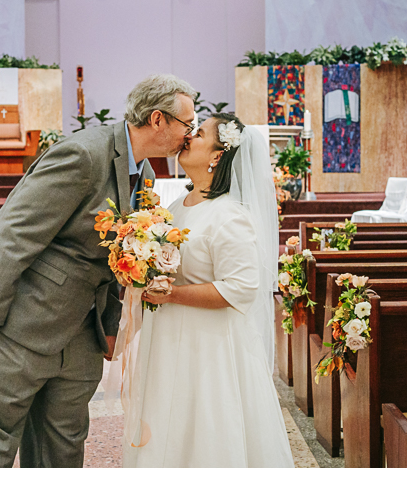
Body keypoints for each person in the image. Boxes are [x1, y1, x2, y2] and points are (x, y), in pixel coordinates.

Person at [0, 73, 197, 468]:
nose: (191, 135)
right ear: (157, 119)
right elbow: (16, 233)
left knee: (63, 451)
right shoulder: (83, 154)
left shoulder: (146, 175)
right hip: (18, 324)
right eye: (189, 124)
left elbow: (121, 259)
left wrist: (112, 326)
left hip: (81, 330)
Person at [120, 114, 294, 468]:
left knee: (206, 429)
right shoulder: (172, 209)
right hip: (169, 341)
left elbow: (240, 289)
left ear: (218, 155)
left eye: (198, 133)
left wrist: (171, 295)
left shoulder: (230, 214)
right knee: (169, 423)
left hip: (211, 348)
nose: (188, 136)